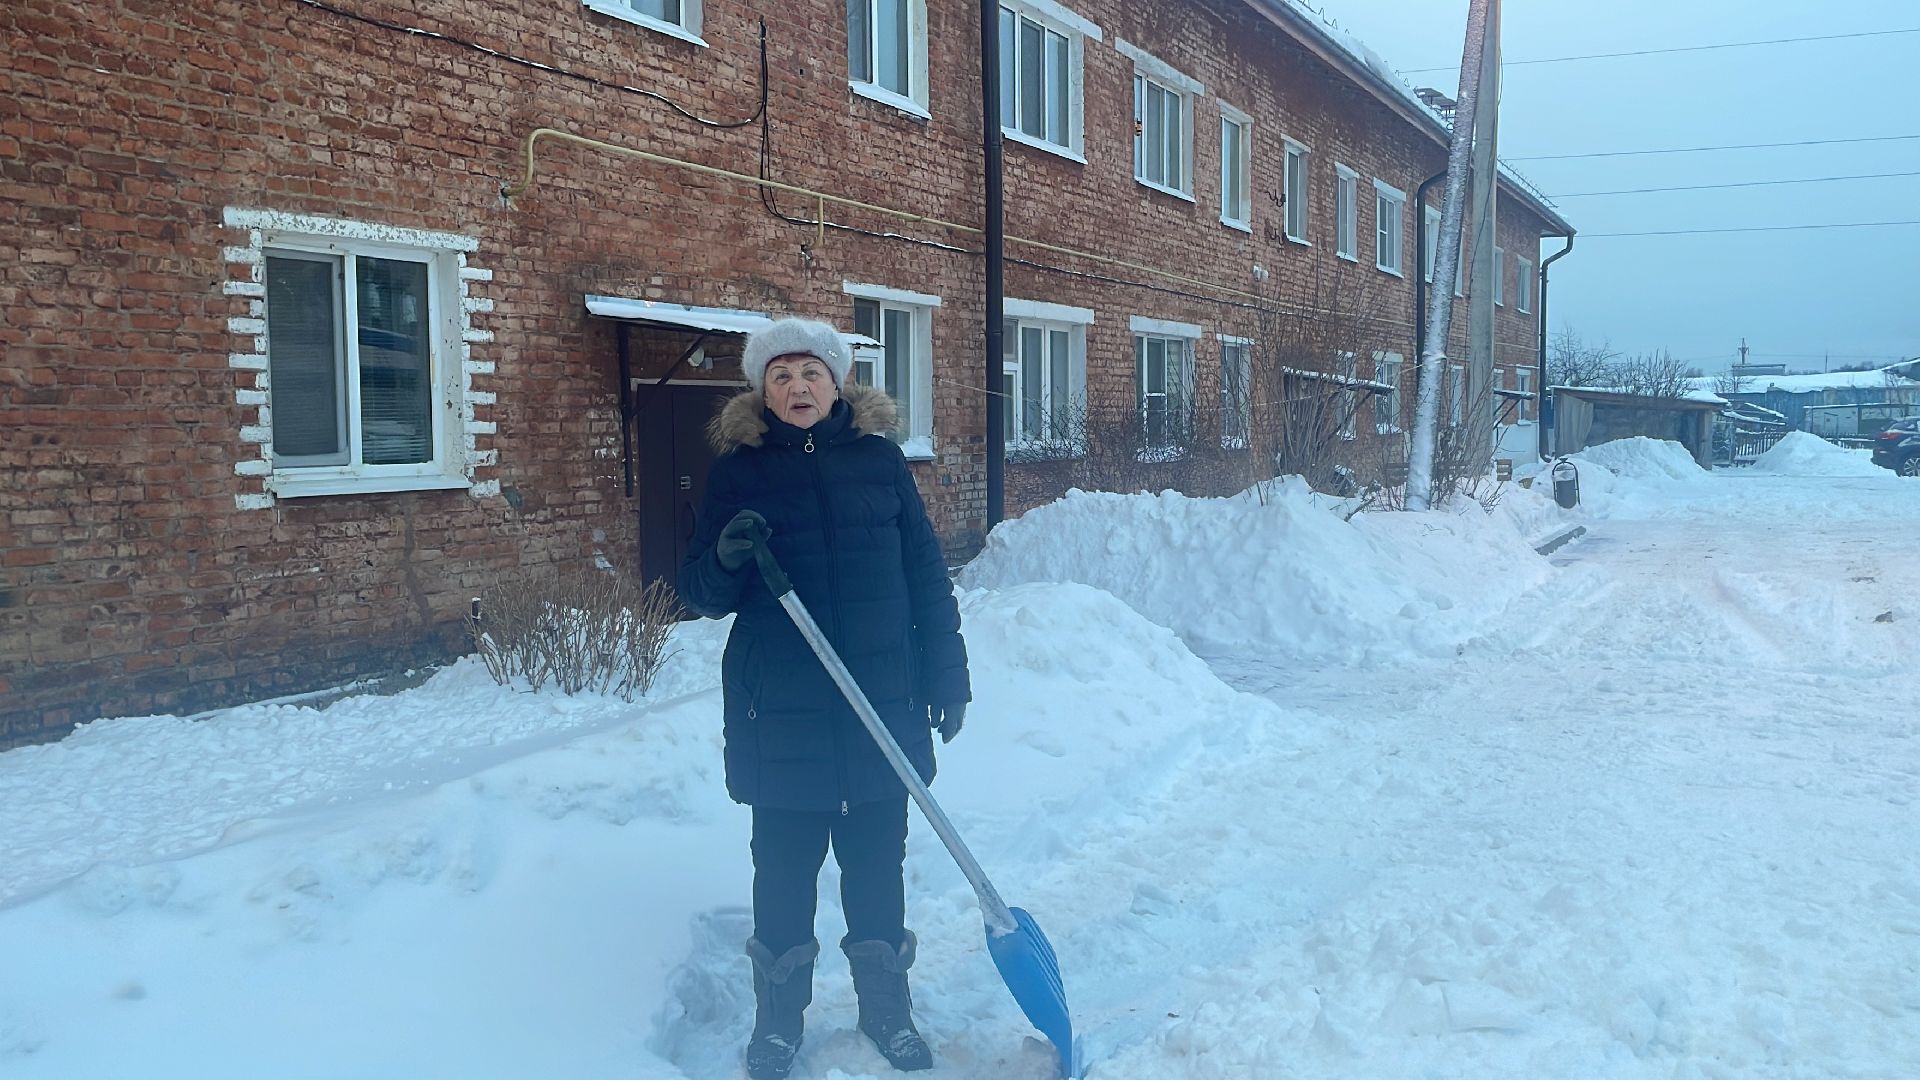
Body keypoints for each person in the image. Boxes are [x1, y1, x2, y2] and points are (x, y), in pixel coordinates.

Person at [676, 316, 971, 1080]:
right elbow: (702, 595)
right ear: (762, 391)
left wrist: (947, 674)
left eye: (810, 373)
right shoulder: (739, 472)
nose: (797, 387)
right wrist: (724, 555)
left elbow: (925, 575)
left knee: (878, 871)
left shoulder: (880, 462)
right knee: (782, 879)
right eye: (780, 376)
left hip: (881, 707)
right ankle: (777, 1027)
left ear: (836, 384)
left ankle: (886, 1013)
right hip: (782, 716)